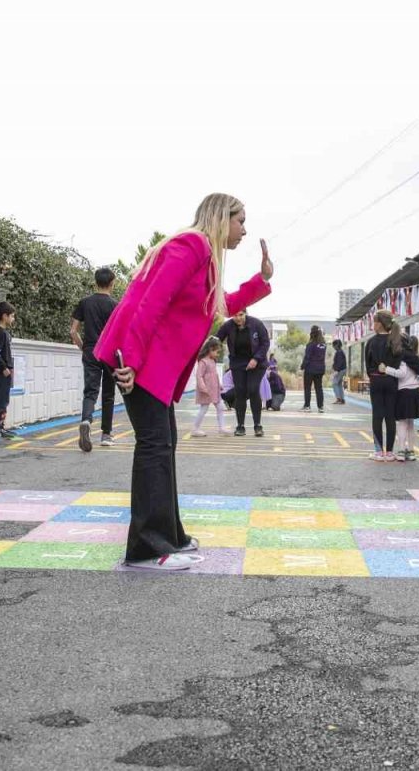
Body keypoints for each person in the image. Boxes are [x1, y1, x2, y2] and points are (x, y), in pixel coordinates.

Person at [97, 193, 273, 571]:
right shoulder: (191, 245)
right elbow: (151, 303)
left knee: (163, 445)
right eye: (241, 220)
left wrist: (263, 280)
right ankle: (145, 549)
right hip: (139, 362)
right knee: (154, 447)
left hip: (151, 367)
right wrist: (131, 360)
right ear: (222, 218)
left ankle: (169, 536)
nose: (245, 230)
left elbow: (220, 303)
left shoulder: (204, 256)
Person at [70, 267, 119, 452]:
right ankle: (106, 435)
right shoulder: (115, 305)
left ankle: (86, 420)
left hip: (90, 350)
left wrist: (84, 347)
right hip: (109, 352)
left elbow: (73, 331)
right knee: (108, 394)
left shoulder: (85, 302)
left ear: (95, 282)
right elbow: (119, 333)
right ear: (112, 283)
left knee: (90, 390)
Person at [365, 311, 419, 461]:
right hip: (391, 381)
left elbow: (368, 365)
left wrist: (374, 374)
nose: (373, 324)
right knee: (390, 416)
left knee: (377, 416)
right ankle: (389, 452)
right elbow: (400, 361)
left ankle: (378, 452)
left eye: (374, 322)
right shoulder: (396, 341)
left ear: (379, 324)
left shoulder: (371, 342)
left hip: (376, 380)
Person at [217, 310, 271, 437]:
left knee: (253, 389)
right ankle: (240, 426)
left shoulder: (256, 324)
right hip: (238, 363)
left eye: (240, 315)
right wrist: (207, 351)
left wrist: (256, 358)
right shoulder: (228, 326)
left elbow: (265, 343)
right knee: (240, 392)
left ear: (245, 313)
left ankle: (257, 425)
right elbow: (217, 339)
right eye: (235, 315)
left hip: (257, 363)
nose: (238, 318)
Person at [383, 335, 419, 461]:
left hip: (404, 392)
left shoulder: (402, 357)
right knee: (411, 424)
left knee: (402, 423)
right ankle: (411, 451)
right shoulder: (415, 358)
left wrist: (386, 369)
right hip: (415, 392)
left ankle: (401, 451)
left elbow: (401, 374)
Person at [0, 301, 17, 439]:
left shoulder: (4, 333)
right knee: (0, 400)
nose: (13, 319)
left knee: (3, 399)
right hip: (1, 372)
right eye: (11, 316)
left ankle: (0, 426)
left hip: (5, 372)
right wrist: (4, 368)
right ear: (4, 316)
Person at [190, 336, 228, 437]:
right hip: (206, 390)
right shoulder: (203, 362)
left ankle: (222, 428)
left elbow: (214, 375)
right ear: (210, 350)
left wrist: (219, 385)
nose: (218, 354)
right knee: (204, 408)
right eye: (217, 352)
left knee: (220, 407)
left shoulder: (212, 361)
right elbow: (199, 375)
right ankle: (195, 429)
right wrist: (203, 388)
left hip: (214, 390)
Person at [301, 325, 327, 412]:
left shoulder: (311, 344)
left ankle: (307, 406)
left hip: (310, 369)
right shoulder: (323, 345)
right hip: (320, 369)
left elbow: (307, 357)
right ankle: (321, 407)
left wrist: (302, 366)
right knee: (319, 388)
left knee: (307, 388)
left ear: (312, 333)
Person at [331, 339, 348, 404]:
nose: (333, 347)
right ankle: (342, 399)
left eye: (334, 345)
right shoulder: (340, 352)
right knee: (339, 384)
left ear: (337, 345)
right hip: (342, 369)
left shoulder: (339, 352)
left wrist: (336, 370)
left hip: (340, 370)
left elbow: (339, 362)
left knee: (334, 383)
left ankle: (338, 398)